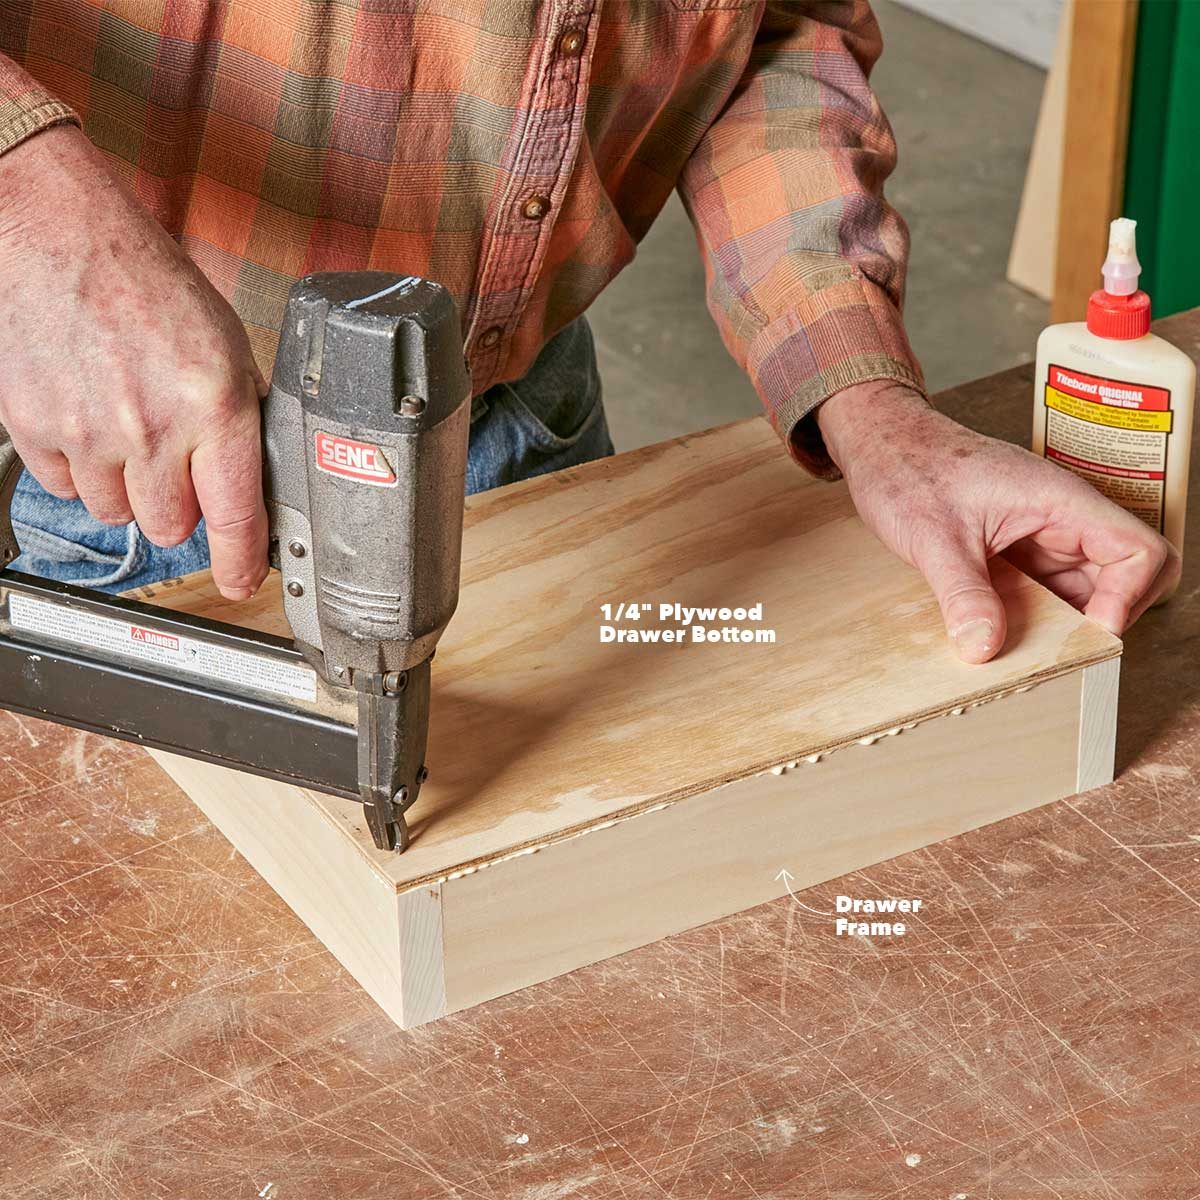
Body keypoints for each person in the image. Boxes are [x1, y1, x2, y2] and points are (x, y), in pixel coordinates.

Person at [0, 3, 1176, 665]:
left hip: (524, 411)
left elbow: (777, 35)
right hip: (165, 471)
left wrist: (868, 399)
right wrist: (34, 216)